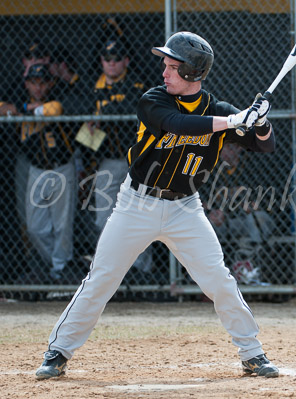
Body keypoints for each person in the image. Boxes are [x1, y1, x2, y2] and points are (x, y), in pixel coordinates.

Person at [34, 31, 279, 380]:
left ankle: (253, 354)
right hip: (136, 203)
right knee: (101, 279)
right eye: (165, 64)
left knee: (219, 281)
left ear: (193, 73)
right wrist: (232, 122)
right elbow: (176, 124)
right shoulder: (154, 100)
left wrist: (261, 121)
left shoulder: (219, 112)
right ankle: (57, 352)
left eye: (173, 67)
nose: (164, 72)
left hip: (185, 209)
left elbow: (264, 146)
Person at [86, 38, 152, 278]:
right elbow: (81, 110)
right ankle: (111, 268)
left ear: (126, 60)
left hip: (134, 159)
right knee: (103, 216)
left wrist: (104, 113)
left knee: (138, 214)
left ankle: (141, 269)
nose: (111, 64)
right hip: (107, 160)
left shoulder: (136, 85)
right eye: (107, 59)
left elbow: (132, 108)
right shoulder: (93, 86)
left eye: (116, 59)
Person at [20, 64, 76, 282]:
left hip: (61, 167)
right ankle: (56, 265)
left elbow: (56, 109)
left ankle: (61, 270)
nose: (38, 87)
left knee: (63, 225)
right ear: (27, 84)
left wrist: (29, 109)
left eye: (42, 82)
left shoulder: (61, 94)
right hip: (36, 169)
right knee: (35, 227)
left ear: (50, 83)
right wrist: (24, 106)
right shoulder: (18, 96)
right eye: (34, 83)